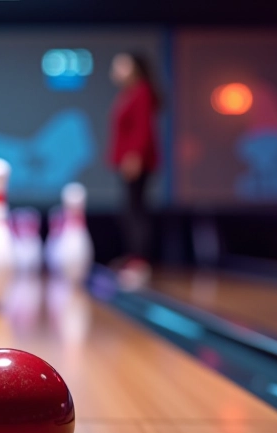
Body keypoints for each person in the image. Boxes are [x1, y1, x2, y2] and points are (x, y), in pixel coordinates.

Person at [108, 51, 161, 289]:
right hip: (128, 160)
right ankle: (134, 258)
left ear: (135, 69)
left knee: (135, 211)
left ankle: (139, 263)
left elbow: (143, 129)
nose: (116, 70)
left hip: (136, 161)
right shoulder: (129, 93)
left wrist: (135, 156)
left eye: (122, 66)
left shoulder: (141, 92)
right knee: (130, 210)